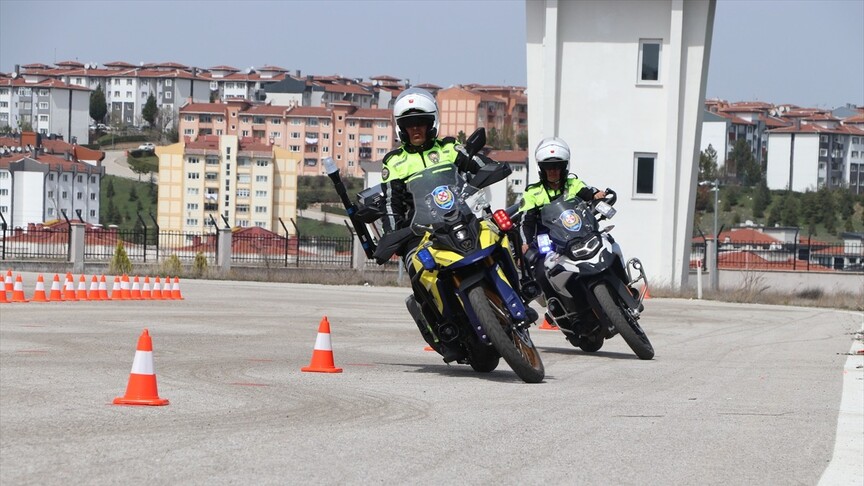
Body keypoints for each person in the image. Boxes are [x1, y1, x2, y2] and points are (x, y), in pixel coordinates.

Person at [378, 87, 492, 362]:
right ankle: (443, 329)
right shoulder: (395, 162)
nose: (416, 129)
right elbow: (391, 205)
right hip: (421, 232)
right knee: (419, 269)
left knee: (498, 231)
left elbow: (477, 165)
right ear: (400, 128)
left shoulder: (450, 148)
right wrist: (395, 235)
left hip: (460, 218)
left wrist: (490, 168)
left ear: (433, 124)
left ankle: (519, 287)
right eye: (409, 124)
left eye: (421, 123)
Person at [519, 136, 607, 255]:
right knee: (536, 267)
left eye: (557, 166)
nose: (552, 171)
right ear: (541, 168)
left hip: (579, 237)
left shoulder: (573, 184)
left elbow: (588, 191)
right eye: (548, 167)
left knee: (607, 243)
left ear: (564, 167)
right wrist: (525, 243)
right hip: (550, 244)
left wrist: (596, 194)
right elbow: (526, 222)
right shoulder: (532, 192)